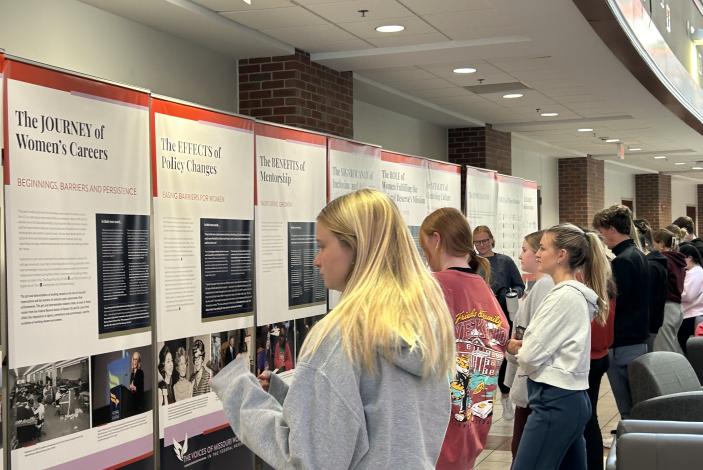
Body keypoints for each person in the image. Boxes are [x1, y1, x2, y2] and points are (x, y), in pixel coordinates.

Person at [212, 189, 455, 469]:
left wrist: (239, 391)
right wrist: (285, 394)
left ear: (354, 246)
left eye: (322, 245)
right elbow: (373, 424)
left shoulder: (344, 336)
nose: (316, 260)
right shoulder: (425, 326)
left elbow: (306, 460)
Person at [509, 224, 611, 470]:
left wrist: (519, 349)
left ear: (561, 255)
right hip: (568, 400)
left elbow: (531, 356)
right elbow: (553, 344)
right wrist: (528, 346)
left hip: (554, 401)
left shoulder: (562, 296)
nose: (537, 254)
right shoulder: (571, 295)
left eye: (543, 248)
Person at [420, 207, 509, 469]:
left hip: (439, 425)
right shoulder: (482, 286)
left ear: (436, 240)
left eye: (425, 249)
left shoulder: (433, 285)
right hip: (475, 422)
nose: (427, 258)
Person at [593, 205, 648, 420]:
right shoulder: (638, 255)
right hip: (636, 337)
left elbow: (614, 305)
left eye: (602, 231)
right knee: (637, 403)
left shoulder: (623, 261)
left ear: (612, 229)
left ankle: (632, 448)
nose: (602, 237)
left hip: (623, 341)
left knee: (628, 407)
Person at [504, 231, 554, 460]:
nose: (520, 255)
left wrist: (515, 348)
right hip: (531, 379)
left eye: (525, 250)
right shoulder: (539, 286)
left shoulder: (545, 286)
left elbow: (535, 339)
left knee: (523, 450)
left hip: (533, 382)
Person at [473, 225, 525, 420]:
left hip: (502, 315)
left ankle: (505, 398)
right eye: (478, 242)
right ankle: (482, 405)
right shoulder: (471, 263)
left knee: (503, 359)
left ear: (491, 240)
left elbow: (519, 285)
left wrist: (513, 294)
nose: (482, 245)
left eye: (485, 240)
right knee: (483, 361)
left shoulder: (504, 261)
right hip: (479, 319)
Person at [634, 219, 668, 350]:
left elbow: (650, 299)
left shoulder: (651, 266)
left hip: (648, 325)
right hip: (651, 324)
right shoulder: (654, 263)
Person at [651, 229, 686, 354]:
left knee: (665, 351)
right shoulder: (678, 260)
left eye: (654, 243)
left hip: (667, 308)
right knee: (673, 347)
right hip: (677, 308)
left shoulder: (664, 261)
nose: (652, 246)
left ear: (661, 244)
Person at [679, 243, 703, 353]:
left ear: (689, 257)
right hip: (688, 314)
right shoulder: (691, 271)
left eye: (681, 258)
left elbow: (688, 295)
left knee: (688, 349)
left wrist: (675, 294)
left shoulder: (696, 272)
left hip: (692, 315)